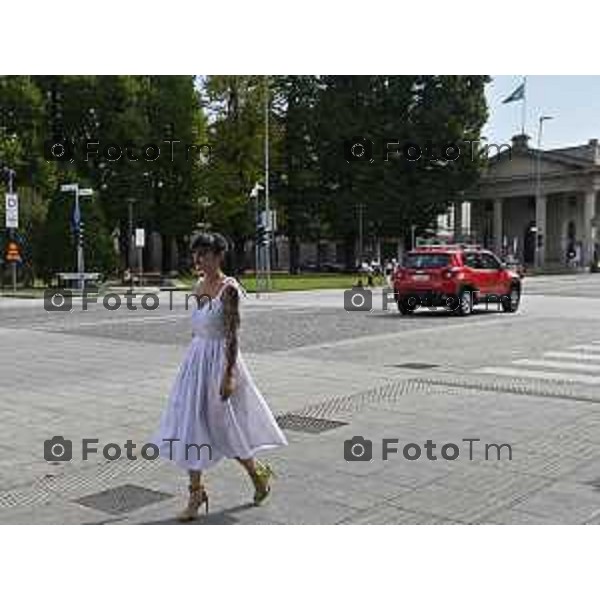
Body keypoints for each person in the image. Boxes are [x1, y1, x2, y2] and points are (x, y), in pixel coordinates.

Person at [150, 232, 288, 521]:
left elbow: (232, 335)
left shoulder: (230, 289)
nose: (198, 260)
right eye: (196, 254)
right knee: (190, 425)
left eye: (204, 254)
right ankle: (196, 493)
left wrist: (229, 375)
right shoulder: (199, 286)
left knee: (225, 427)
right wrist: (190, 361)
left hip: (220, 362)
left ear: (219, 256)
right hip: (196, 361)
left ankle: (257, 473)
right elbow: (198, 325)